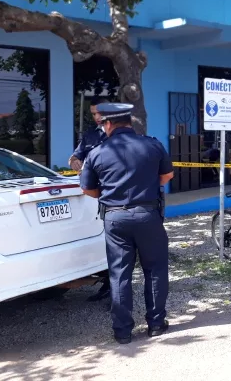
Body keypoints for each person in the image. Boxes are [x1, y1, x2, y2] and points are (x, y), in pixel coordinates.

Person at [80, 103, 174, 344]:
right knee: (155, 269)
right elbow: (167, 176)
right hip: (147, 214)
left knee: (119, 273)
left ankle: (122, 332)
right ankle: (156, 324)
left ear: (108, 124)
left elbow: (88, 189)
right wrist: (146, 186)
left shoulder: (97, 152)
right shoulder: (152, 145)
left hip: (115, 218)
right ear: (129, 122)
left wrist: (110, 194)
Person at [68, 96, 111, 302]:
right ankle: (107, 281)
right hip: (94, 195)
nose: (97, 117)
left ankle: (115, 289)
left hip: (115, 195)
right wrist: (74, 161)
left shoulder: (121, 135)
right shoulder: (90, 136)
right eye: (93, 113)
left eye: (100, 113)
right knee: (101, 239)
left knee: (115, 241)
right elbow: (75, 156)